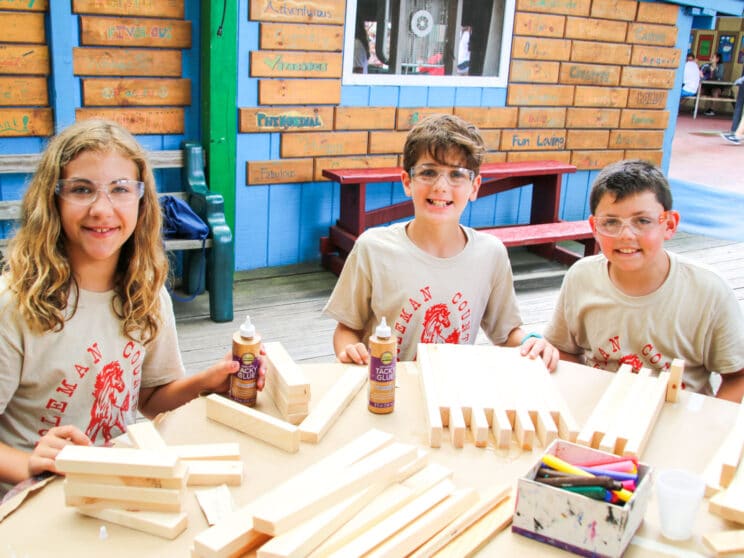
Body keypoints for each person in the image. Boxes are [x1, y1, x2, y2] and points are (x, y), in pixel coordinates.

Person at [0, 119, 265, 495]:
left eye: (120, 189)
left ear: (142, 202)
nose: (101, 209)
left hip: (117, 486)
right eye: (81, 189)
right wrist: (29, 463)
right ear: (52, 200)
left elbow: (152, 398)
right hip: (35, 498)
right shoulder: (13, 305)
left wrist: (207, 384)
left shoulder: (147, 292)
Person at [322, 114, 559, 371]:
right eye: (428, 172)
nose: (441, 186)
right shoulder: (373, 247)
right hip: (384, 392)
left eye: (457, 174)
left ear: (474, 187)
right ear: (407, 182)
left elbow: (506, 334)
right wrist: (350, 350)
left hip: (450, 393)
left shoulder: (491, 254)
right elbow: (347, 329)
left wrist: (533, 342)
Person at [543, 159, 744, 401]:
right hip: (598, 415)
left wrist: (712, 429)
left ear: (669, 225)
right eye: (611, 222)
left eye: (642, 221)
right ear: (594, 227)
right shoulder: (581, 277)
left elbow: (737, 375)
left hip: (677, 421)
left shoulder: (709, 292)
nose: (626, 235)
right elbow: (564, 350)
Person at [701, 52, 725, 116]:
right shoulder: (706, 65)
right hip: (707, 86)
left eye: (712, 57)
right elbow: (701, 72)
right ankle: (695, 108)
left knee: (715, 92)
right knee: (699, 90)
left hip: (717, 86)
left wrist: (714, 69)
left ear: (717, 59)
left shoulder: (720, 66)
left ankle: (712, 110)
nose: (710, 58)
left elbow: (719, 76)